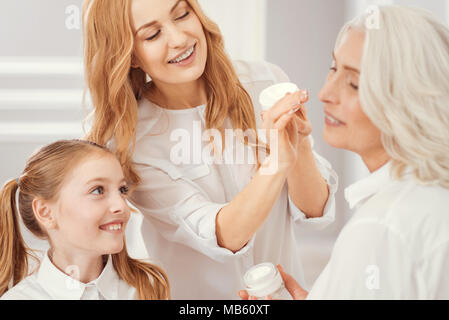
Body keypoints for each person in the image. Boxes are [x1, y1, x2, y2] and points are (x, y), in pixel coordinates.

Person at [82, 0, 338, 299]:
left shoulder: (263, 82)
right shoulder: (131, 142)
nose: (179, 39)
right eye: (152, 35)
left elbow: (315, 209)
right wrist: (277, 163)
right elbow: (225, 235)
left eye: (182, 14)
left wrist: (299, 146)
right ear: (130, 55)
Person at [240, 5, 449, 300]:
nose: (325, 93)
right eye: (333, 68)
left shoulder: (380, 228)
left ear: (409, 98)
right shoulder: (428, 197)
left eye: (353, 84)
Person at [0, 140, 170, 300]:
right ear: (45, 213)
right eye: (98, 190)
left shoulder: (147, 287)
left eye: (122, 190)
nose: (121, 205)